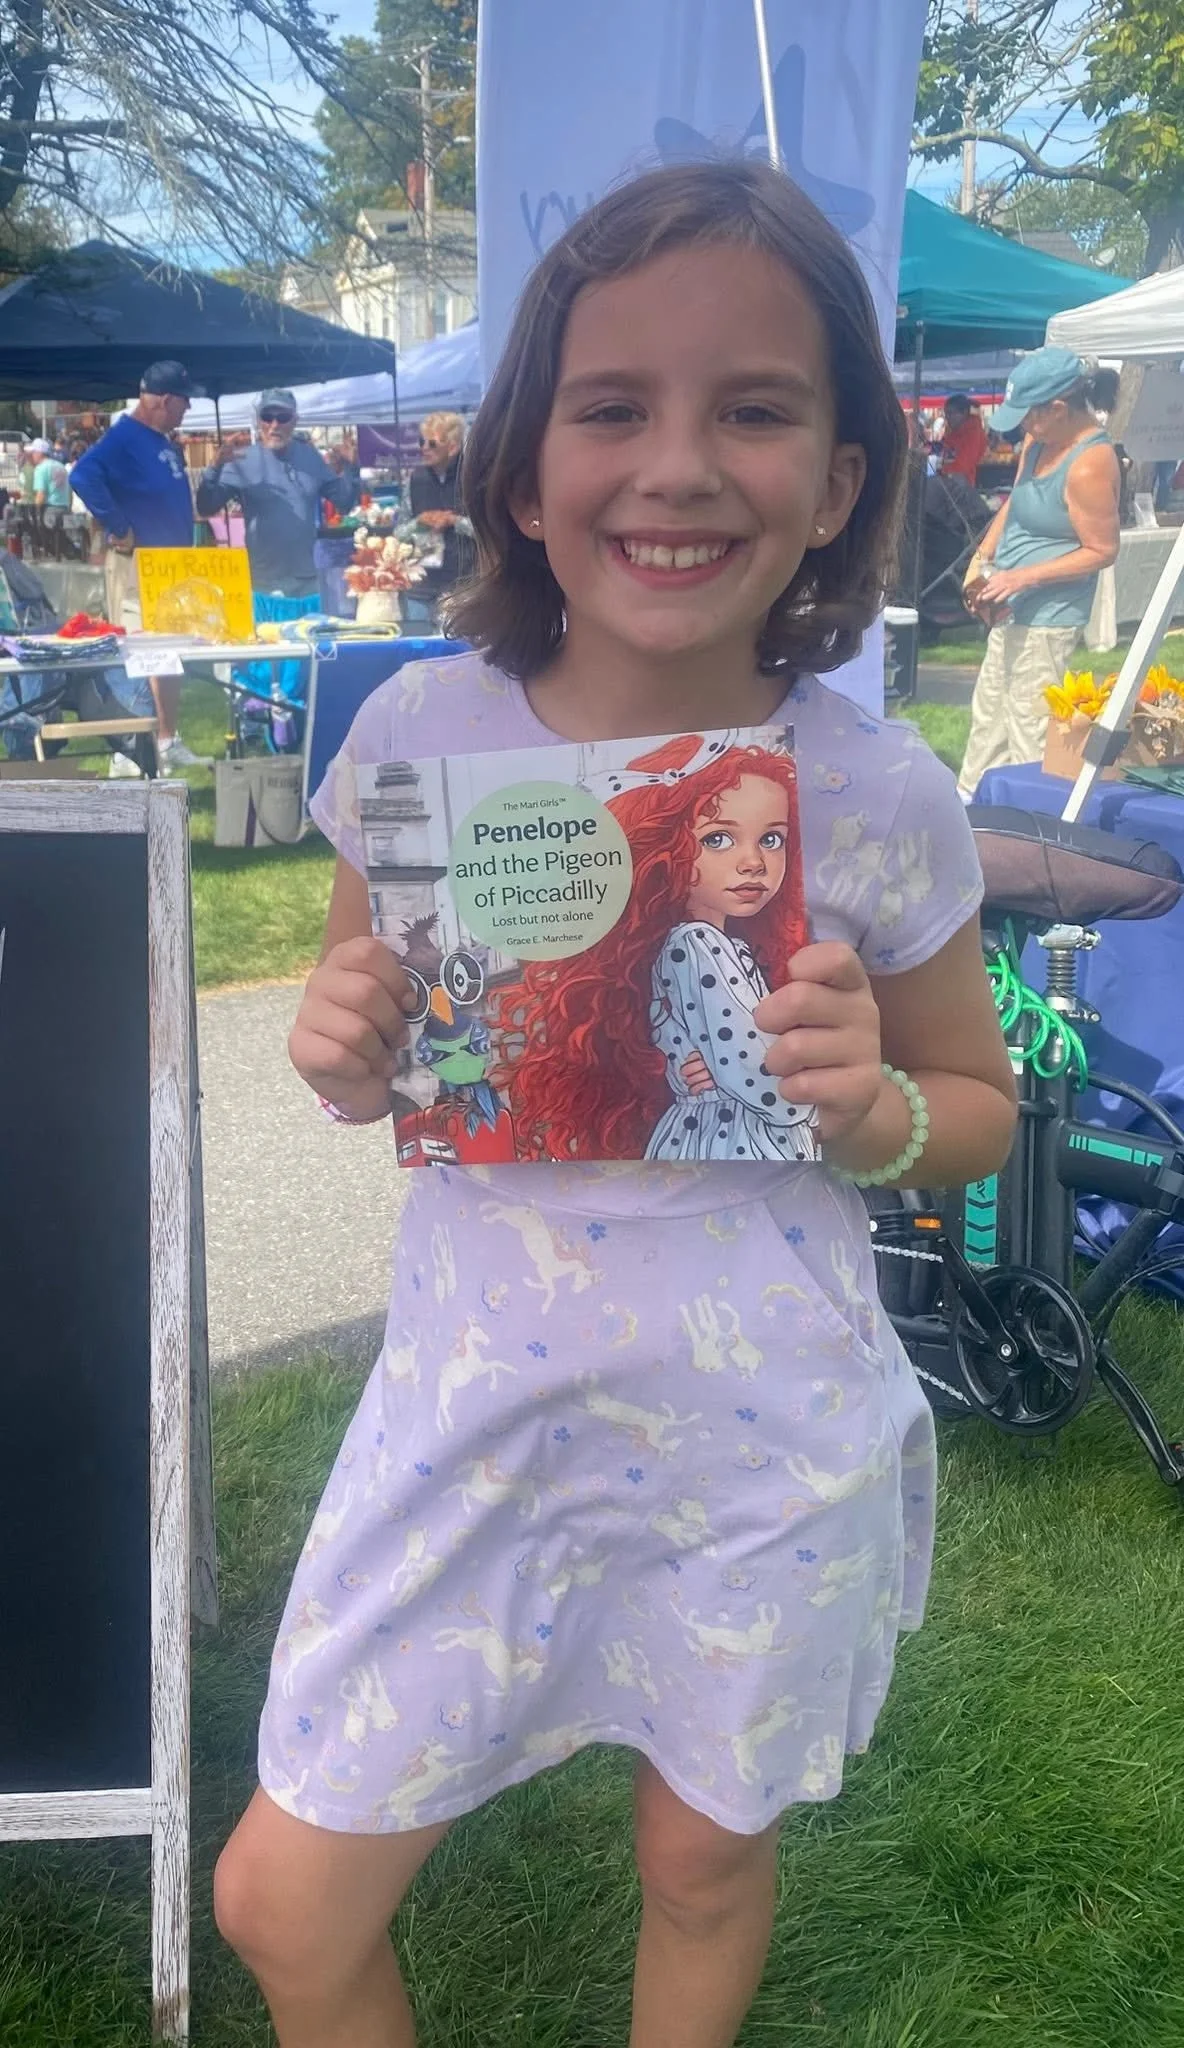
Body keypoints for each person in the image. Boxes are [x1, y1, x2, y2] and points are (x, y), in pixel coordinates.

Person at [212, 160, 1016, 2048]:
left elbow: (973, 1102)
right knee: (278, 1896)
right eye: (610, 407)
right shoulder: (418, 736)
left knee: (701, 1863)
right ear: (519, 469)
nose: (675, 464)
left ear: (831, 483)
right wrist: (336, 1045)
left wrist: (872, 1109)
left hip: (760, 1433)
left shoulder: (871, 786)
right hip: (474, 1411)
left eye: (751, 408)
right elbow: (373, 1056)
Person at [958, 347, 1121, 799]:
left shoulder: (1090, 462)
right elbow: (1016, 502)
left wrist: (1022, 578)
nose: (1022, 426)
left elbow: (1102, 551)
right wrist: (984, 557)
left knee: (1027, 722)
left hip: (1049, 614)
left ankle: (1023, 822)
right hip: (1008, 603)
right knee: (989, 712)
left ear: (1057, 408)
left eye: (1028, 415)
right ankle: (971, 804)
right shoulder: (1038, 442)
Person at [70, 359, 209, 771]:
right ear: (164, 400)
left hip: (172, 562)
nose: (188, 410)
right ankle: (129, 747)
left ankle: (166, 738)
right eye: (185, 402)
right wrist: (118, 524)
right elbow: (83, 476)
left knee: (172, 653)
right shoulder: (124, 438)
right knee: (144, 652)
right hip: (138, 565)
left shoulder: (164, 440)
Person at [195, 391, 360, 605]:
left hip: (307, 582)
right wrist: (214, 468)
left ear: (295, 421)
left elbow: (345, 502)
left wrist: (351, 467)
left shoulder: (310, 456)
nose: (274, 425)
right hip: (262, 583)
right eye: (267, 417)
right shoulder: (241, 459)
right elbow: (206, 507)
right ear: (258, 421)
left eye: (282, 418)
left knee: (309, 637)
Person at [403, 411, 476, 627]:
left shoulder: (474, 478)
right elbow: (399, 532)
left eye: (432, 443)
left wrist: (455, 522)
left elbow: (492, 529)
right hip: (420, 588)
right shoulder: (415, 479)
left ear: (452, 447)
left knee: (460, 654)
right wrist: (420, 522)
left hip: (463, 588)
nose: (424, 448)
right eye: (421, 442)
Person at [938, 394, 988, 488]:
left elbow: (963, 466)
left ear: (964, 413)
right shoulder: (953, 431)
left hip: (962, 487)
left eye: (951, 413)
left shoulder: (973, 433)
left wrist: (941, 469)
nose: (948, 418)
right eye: (946, 414)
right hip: (948, 484)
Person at [29, 438, 71, 509]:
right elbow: (69, 491)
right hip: (65, 508)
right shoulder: (61, 466)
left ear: (39, 453)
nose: (32, 455)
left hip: (50, 509)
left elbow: (41, 495)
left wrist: (35, 512)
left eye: (33, 452)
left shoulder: (41, 468)